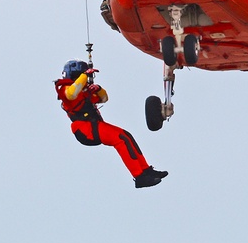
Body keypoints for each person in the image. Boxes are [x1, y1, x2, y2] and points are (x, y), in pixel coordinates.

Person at [55, 59, 168, 188]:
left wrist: (98, 89)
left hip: (93, 126)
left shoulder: (83, 92)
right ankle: (140, 176)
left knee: (126, 136)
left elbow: (104, 98)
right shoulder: (64, 89)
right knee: (120, 139)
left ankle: (145, 170)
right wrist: (85, 75)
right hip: (85, 128)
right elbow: (71, 94)